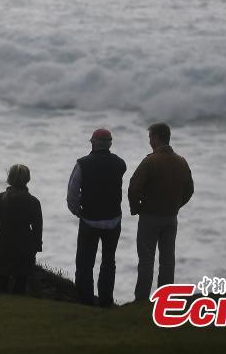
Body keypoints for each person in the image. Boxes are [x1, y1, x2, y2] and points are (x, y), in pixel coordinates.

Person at [128, 122, 194, 301]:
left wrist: (136, 208)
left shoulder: (150, 161)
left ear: (156, 138)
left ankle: (141, 299)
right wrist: (176, 205)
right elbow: (189, 190)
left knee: (146, 260)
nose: (149, 141)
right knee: (167, 261)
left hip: (149, 217)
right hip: (171, 218)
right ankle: (165, 299)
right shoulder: (181, 162)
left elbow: (134, 188)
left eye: (150, 137)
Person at [66, 128, 127, 306]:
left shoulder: (83, 164)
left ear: (93, 143)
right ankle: (106, 301)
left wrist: (77, 211)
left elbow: (72, 193)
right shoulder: (120, 164)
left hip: (89, 220)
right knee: (108, 261)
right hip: (113, 219)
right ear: (110, 144)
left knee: (85, 263)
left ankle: (85, 300)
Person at [0, 164, 43, 295]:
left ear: (9, 178)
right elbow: (38, 228)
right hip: (25, 244)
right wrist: (37, 245)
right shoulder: (33, 202)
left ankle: (1, 304)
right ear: (27, 179)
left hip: (3, 242)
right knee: (21, 281)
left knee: (2, 280)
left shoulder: (0, 198)